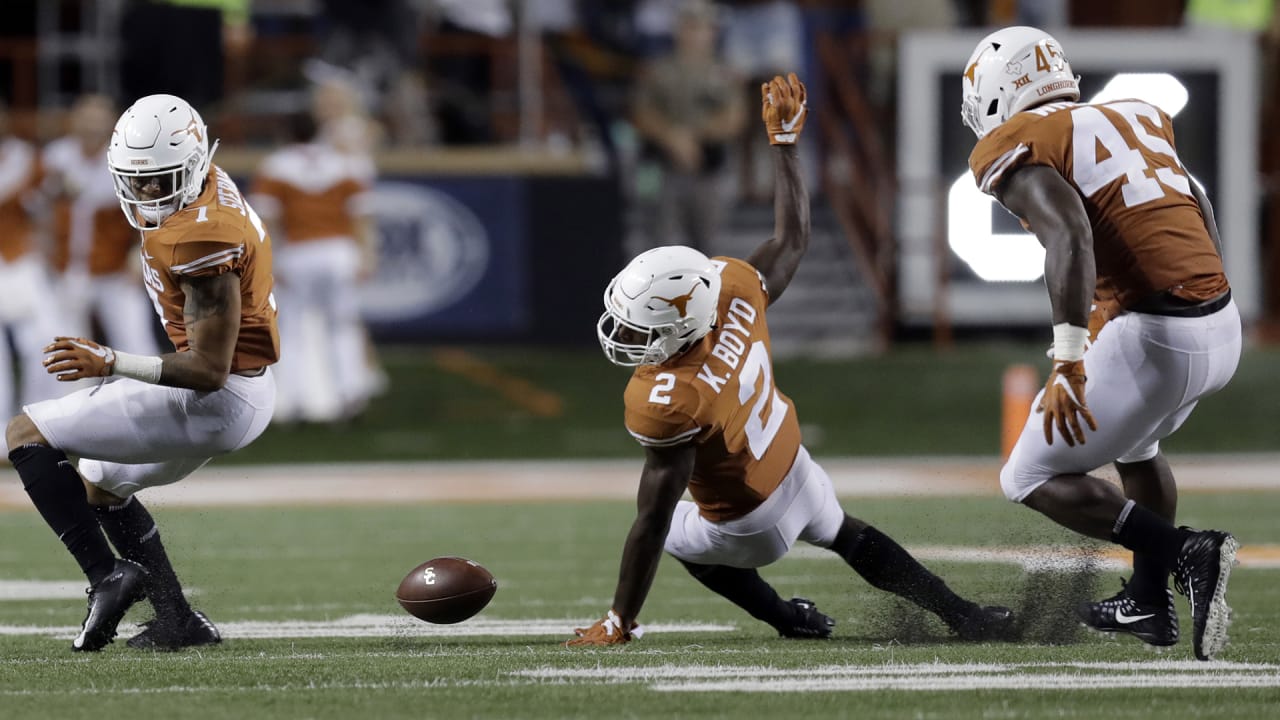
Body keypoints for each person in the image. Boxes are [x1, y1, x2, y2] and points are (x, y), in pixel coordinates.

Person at [567, 73, 1014, 647]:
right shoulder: (730, 290)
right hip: (795, 468)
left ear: (682, 324)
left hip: (747, 523)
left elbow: (652, 518)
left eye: (643, 324)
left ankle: (785, 616)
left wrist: (619, 619)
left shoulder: (668, 400)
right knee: (850, 536)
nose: (628, 334)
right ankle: (963, 614)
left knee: (676, 536)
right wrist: (785, 145)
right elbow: (793, 238)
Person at [961, 26, 1241, 661]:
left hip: (1158, 333)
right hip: (1220, 322)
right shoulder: (1137, 113)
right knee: (1139, 449)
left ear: (999, 95)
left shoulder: (1015, 142)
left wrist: (1067, 359)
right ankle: (1147, 602)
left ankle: (1186, 554)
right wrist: (1201, 295)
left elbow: (1070, 236)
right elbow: (1195, 198)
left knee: (1026, 474)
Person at [4, 94, 279, 652]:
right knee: (100, 484)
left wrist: (110, 362)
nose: (147, 192)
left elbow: (206, 370)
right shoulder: (204, 192)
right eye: (137, 179)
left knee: (24, 434)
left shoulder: (202, 234)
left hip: (218, 398)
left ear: (195, 163)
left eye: (161, 179)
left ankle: (107, 576)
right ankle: (179, 623)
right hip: (241, 394)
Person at [249, 105, 378, 424]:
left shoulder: (276, 166)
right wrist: (366, 255)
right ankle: (351, 395)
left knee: (291, 331)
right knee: (343, 325)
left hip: (299, 253)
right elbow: (361, 215)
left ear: (285, 134)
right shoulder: (343, 163)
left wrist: (269, 261)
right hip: (339, 251)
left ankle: (290, 404)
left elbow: (266, 220)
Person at [41, 95, 160, 359]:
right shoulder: (57, 157)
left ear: (112, 124)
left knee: (135, 343)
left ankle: (146, 399)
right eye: (86, 119)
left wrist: (139, 257)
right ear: (73, 121)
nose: (91, 127)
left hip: (113, 269)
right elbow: (41, 210)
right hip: (68, 268)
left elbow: (150, 216)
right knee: (62, 345)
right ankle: (68, 399)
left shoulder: (129, 161)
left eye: (98, 120)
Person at [631, 0, 746, 253]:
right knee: (661, 244)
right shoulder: (658, 70)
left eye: (701, 28)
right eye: (689, 26)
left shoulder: (724, 73)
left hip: (709, 168)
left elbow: (735, 118)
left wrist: (691, 137)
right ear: (678, 29)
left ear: (712, 32)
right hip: (663, 166)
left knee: (711, 247)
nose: (694, 34)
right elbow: (641, 113)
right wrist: (672, 138)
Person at [0, 101, 65, 449]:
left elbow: (46, 211)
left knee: (43, 343)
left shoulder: (27, 159)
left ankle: (38, 426)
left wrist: (49, 252)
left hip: (20, 260)